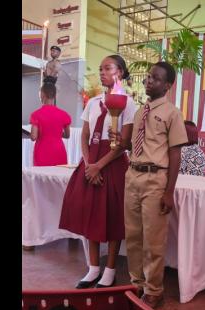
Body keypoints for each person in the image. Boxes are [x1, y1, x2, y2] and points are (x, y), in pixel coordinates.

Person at [111, 61, 188, 309]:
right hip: (133, 175)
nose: (148, 81)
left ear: (167, 85)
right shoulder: (139, 112)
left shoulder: (172, 113)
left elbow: (175, 153)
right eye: (148, 77)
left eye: (155, 78)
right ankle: (137, 283)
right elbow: (136, 146)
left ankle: (155, 289)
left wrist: (169, 192)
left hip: (156, 180)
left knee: (152, 239)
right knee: (133, 235)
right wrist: (121, 142)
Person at [59, 55, 137, 289]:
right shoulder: (93, 103)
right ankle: (93, 267)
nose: (102, 72)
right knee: (89, 213)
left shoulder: (128, 102)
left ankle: (110, 269)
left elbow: (123, 142)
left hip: (111, 163)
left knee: (113, 215)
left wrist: (99, 165)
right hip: (91, 161)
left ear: (120, 73)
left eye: (108, 68)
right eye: (100, 68)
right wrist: (87, 162)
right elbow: (84, 135)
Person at [30, 83, 71, 166]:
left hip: (42, 152)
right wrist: (55, 132)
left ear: (42, 94)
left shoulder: (36, 114)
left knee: (40, 177)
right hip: (59, 151)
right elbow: (67, 135)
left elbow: (33, 137)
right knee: (58, 177)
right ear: (55, 95)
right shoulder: (64, 114)